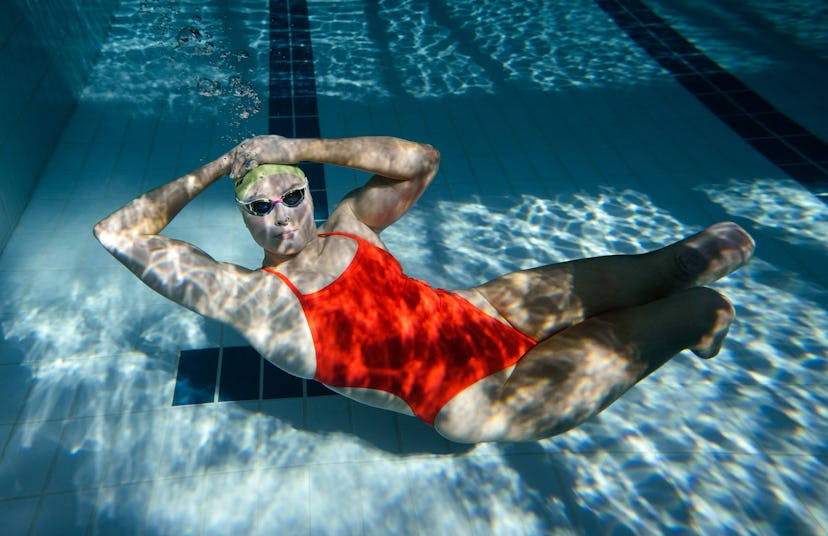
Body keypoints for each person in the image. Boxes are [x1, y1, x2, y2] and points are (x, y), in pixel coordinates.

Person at [94, 135, 754, 443]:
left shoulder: (351, 226)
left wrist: (301, 145)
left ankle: (705, 286)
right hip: (481, 399)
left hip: (490, 309)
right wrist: (217, 166)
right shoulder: (251, 298)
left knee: (690, 259)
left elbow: (423, 161)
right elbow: (118, 234)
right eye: (259, 208)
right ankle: (703, 323)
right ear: (243, 217)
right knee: (690, 309)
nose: (282, 216)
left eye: (291, 194)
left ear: (307, 191)